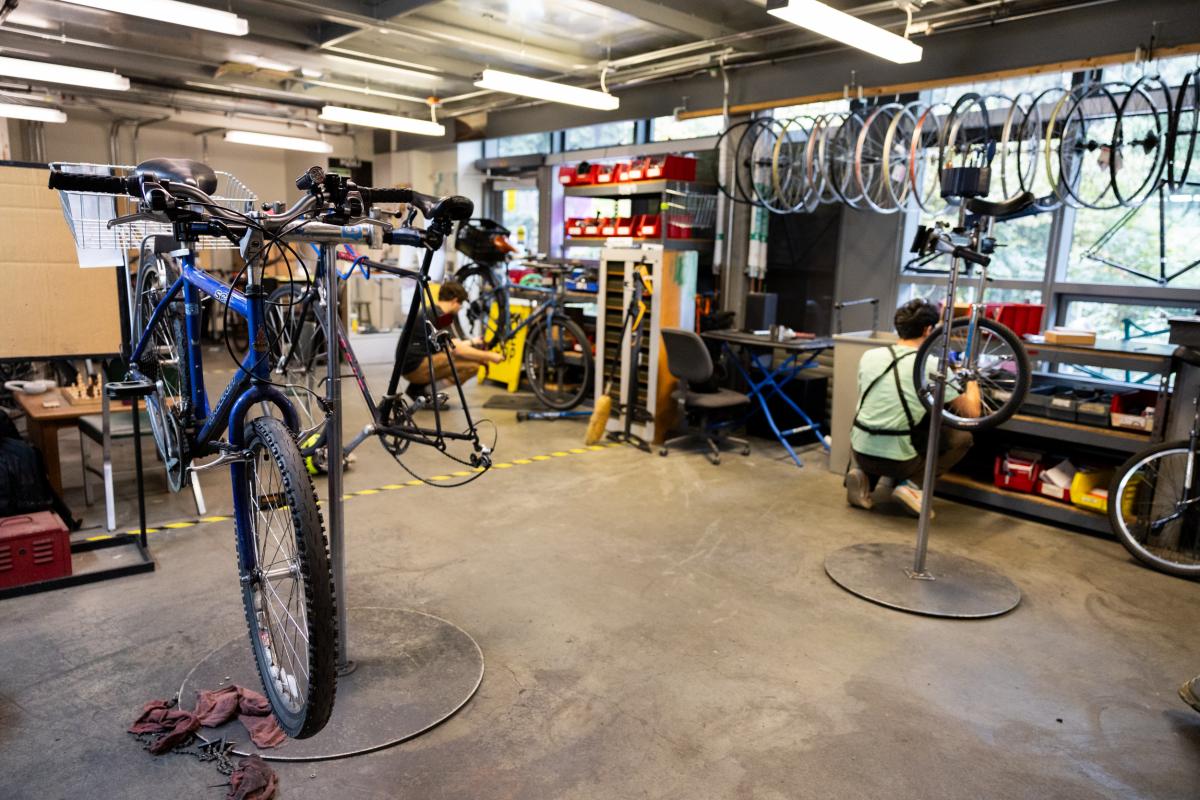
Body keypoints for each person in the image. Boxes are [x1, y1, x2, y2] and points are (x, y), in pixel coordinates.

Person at [845, 298, 982, 516]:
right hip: (899, 463)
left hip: (859, 450)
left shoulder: (870, 356)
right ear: (928, 330)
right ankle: (912, 486)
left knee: (883, 415)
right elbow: (972, 412)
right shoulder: (931, 366)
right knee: (961, 437)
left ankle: (862, 476)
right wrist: (971, 376)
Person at [400, 280, 502, 403]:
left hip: (412, 364)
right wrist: (490, 356)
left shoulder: (433, 311)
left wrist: (472, 342)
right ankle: (425, 394)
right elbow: (455, 349)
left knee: (468, 361)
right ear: (454, 301)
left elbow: (448, 343)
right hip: (415, 367)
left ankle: (418, 388)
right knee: (468, 364)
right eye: (461, 304)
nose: (459, 309)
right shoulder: (441, 316)